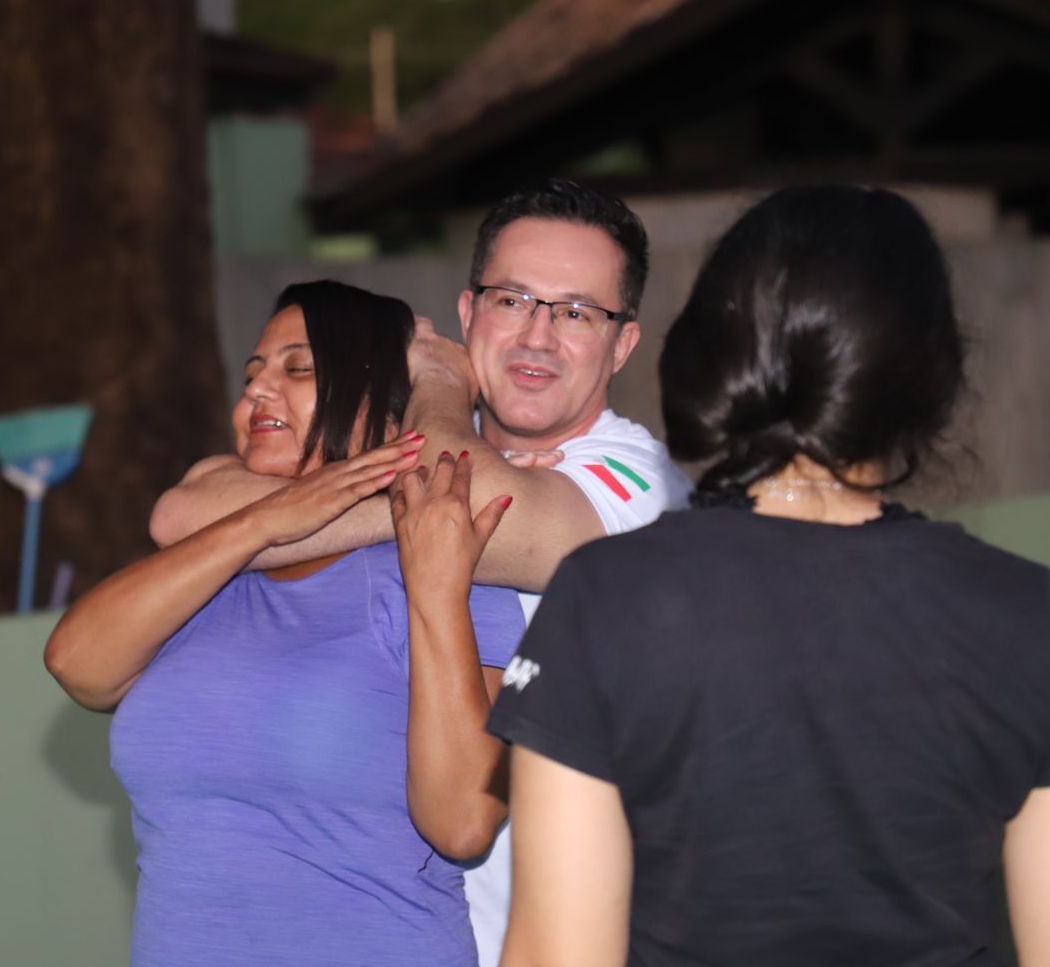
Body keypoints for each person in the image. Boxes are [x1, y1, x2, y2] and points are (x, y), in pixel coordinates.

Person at [484, 186, 1050, 967]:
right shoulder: (1030, 613)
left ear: (714, 347)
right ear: (930, 372)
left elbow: (557, 954)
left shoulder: (604, 600)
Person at [148, 179, 693, 967]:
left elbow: (452, 499)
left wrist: (436, 385)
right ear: (469, 313)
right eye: (512, 300)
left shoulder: (639, 483)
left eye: (577, 313)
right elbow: (187, 512)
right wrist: (402, 486)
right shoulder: (429, 455)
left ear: (623, 343)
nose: (538, 336)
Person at [43, 280, 526, 967]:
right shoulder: (211, 567)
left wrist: (436, 587)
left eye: (298, 369)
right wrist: (266, 522)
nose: (258, 393)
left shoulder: (443, 564)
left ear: (387, 415)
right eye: (252, 376)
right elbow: (76, 664)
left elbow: (465, 823)